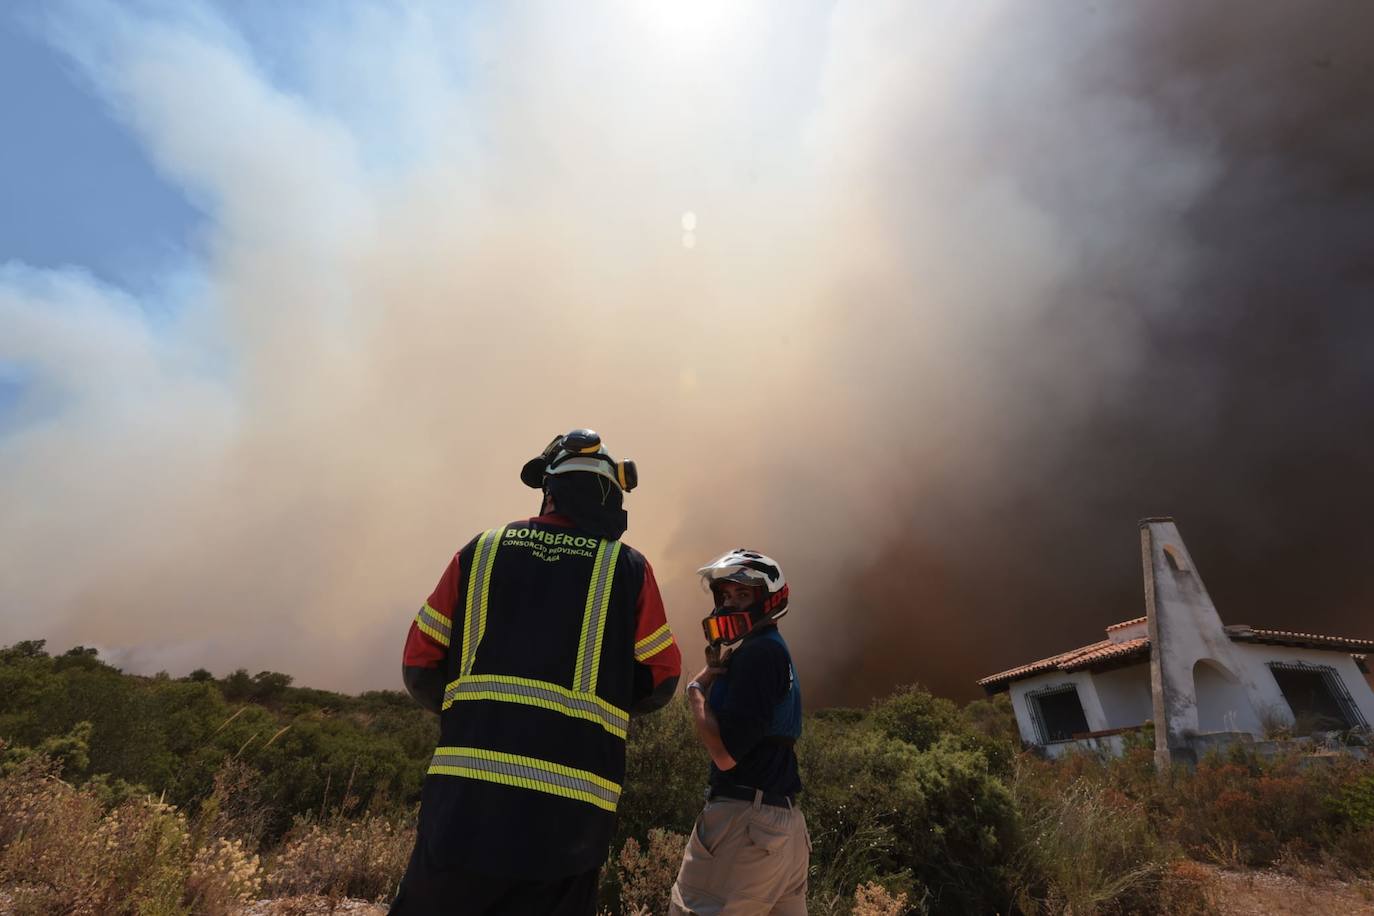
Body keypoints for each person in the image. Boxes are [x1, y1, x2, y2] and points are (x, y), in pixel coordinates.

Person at [391, 429, 682, 916]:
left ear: (549, 489)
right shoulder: (627, 567)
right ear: (611, 494)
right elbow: (661, 677)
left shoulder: (480, 549)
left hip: (465, 805)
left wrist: (473, 713)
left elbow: (420, 663)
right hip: (568, 824)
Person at [669, 549, 807, 916]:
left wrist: (695, 694)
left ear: (769, 598)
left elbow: (725, 754)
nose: (730, 604)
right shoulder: (774, 651)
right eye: (726, 595)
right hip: (785, 830)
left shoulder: (758, 654)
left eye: (742, 595)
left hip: (745, 825)